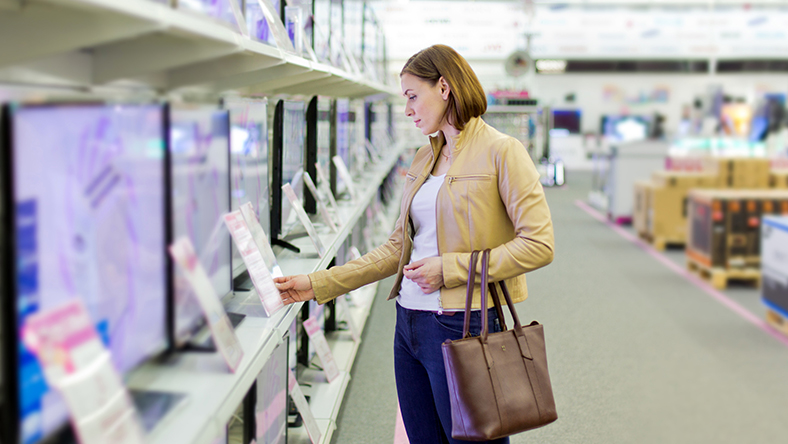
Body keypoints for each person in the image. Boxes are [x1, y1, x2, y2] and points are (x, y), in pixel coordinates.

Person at [275, 44, 555, 444]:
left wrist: (450, 267)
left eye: (411, 95)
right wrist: (319, 284)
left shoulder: (502, 152)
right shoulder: (424, 158)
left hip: (464, 324)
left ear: (444, 86)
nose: (407, 109)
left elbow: (539, 244)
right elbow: (396, 248)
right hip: (408, 324)